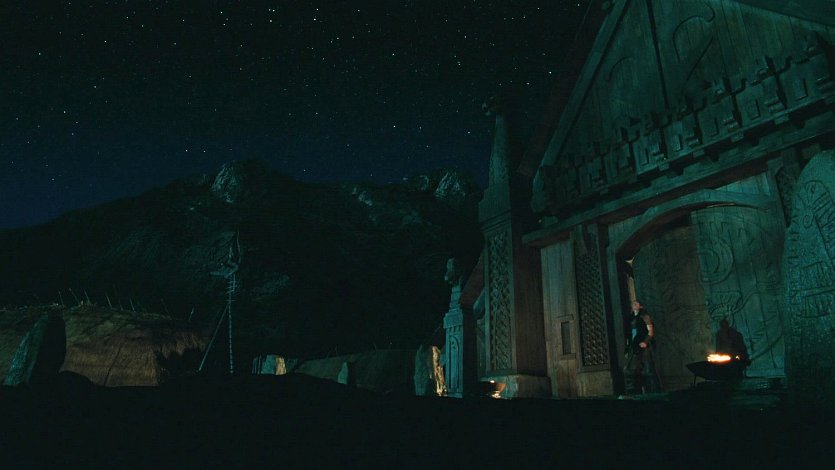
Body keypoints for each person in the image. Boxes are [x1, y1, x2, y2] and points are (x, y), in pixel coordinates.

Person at [623, 300, 661, 394]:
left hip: (643, 346)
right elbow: (629, 334)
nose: (634, 305)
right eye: (633, 304)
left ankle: (653, 391)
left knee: (648, 370)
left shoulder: (645, 316)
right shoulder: (631, 318)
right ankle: (635, 391)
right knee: (630, 370)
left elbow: (650, 331)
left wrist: (645, 342)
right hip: (633, 346)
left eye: (636, 303)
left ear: (640, 306)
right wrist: (628, 347)